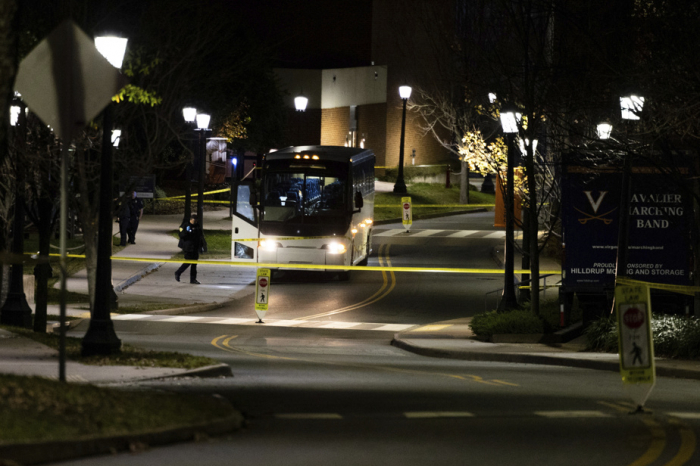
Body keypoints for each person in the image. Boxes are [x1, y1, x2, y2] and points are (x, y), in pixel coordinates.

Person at [175, 213, 206, 284]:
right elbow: (181, 235)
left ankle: (193, 279)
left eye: (196, 221)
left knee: (194, 264)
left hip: (195, 247)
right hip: (188, 247)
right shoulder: (185, 225)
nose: (194, 222)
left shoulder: (197, 226)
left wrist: (201, 246)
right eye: (193, 221)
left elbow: (200, 237)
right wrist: (187, 231)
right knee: (188, 262)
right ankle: (178, 272)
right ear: (191, 220)